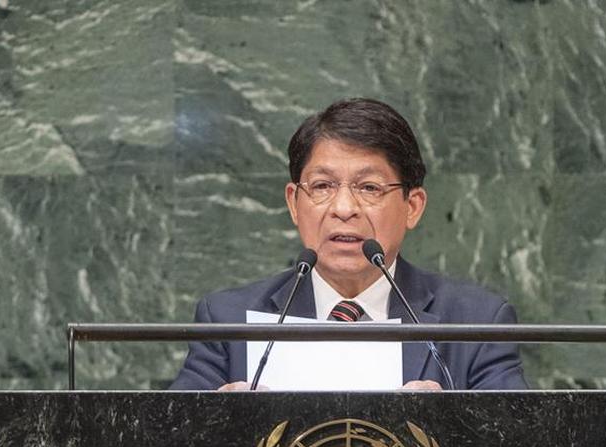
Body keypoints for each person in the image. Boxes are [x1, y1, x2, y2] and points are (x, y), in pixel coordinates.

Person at [171, 98, 528, 390]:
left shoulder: (477, 323)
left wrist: (451, 426)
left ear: (413, 206)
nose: (343, 209)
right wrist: (216, 426)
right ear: (294, 203)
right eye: (323, 186)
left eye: (369, 188)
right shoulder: (228, 322)